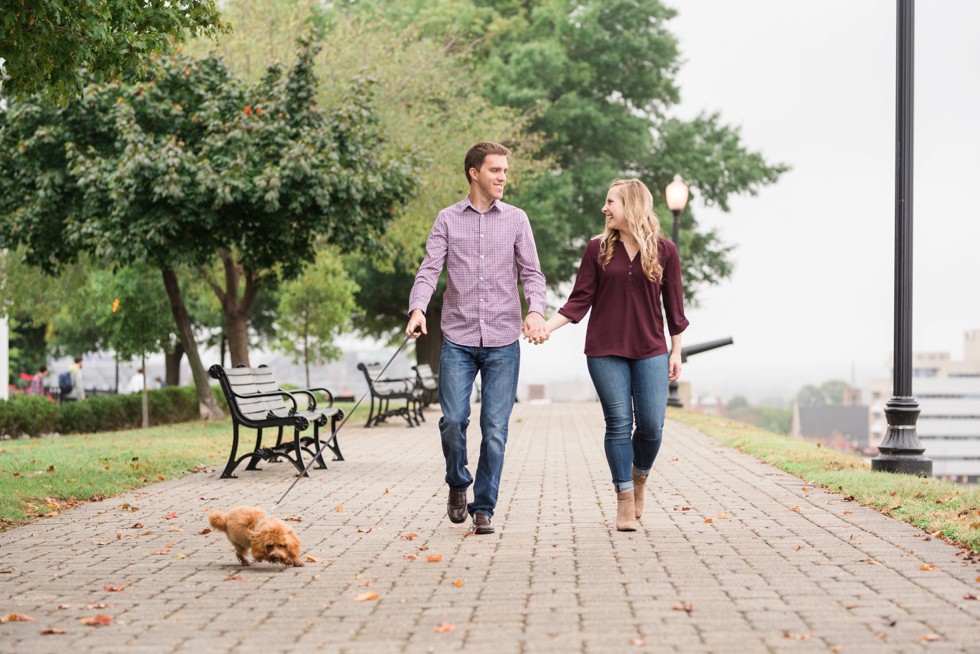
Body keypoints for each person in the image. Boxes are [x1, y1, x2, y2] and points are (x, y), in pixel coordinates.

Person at [406, 141, 548, 535]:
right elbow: (429, 269)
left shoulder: (517, 219)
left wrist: (535, 309)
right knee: (453, 421)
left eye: (505, 170)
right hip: (458, 337)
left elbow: (533, 274)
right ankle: (457, 484)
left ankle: (483, 506)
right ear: (474, 172)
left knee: (495, 430)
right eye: (495, 170)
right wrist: (418, 308)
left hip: (503, 338)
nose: (503, 177)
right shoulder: (447, 220)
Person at [544, 179, 689, 532]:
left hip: (651, 349)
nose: (605, 209)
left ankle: (639, 478)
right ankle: (624, 499)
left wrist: (676, 351)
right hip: (605, 349)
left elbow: (675, 308)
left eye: (611, 203)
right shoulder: (597, 250)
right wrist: (545, 328)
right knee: (619, 423)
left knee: (652, 425)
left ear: (632, 205)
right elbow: (579, 299)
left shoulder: (665, 250)